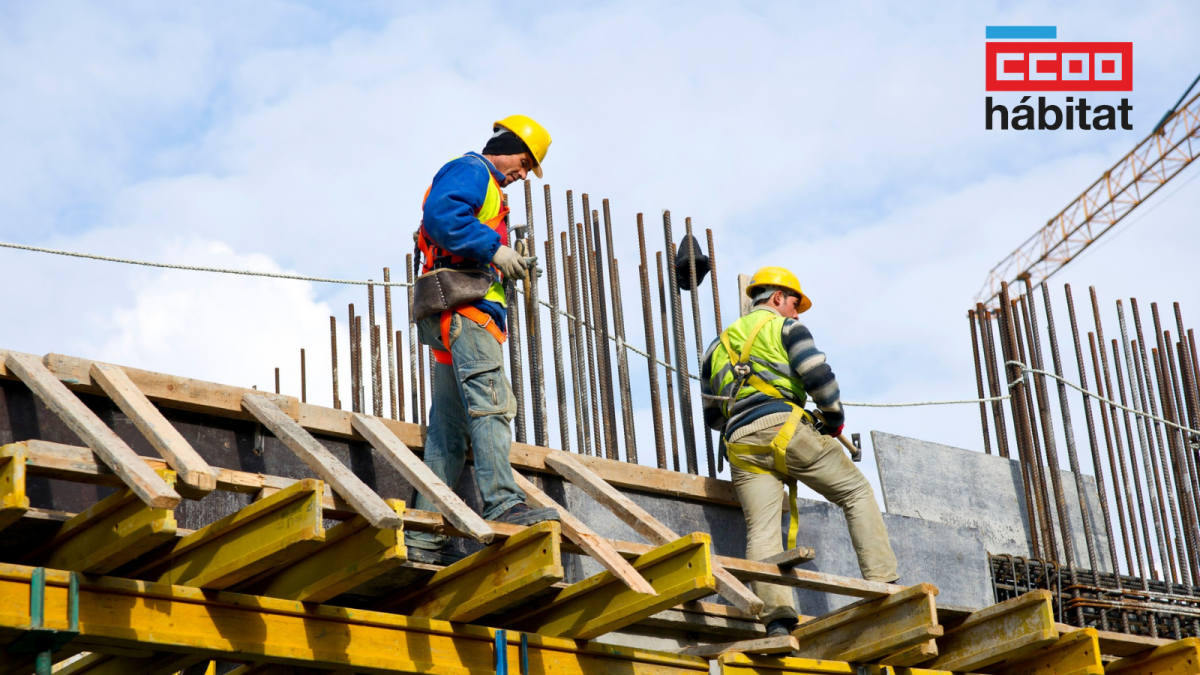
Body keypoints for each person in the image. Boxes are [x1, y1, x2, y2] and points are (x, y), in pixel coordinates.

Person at [700, 266, 899, 636]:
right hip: (787, 429)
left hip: (740, 444)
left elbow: (713, 415)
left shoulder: (715, 347)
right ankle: (885, 584)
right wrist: (834, 419)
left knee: (761, 530)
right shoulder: (786, 328)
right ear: (777, 298)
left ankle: (776, 620)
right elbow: (818, 376)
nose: (796, 312)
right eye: (794, 303)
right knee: (856, 492)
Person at [405, 116, 558, 564]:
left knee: (448, 433)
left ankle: (424, 535)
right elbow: (442, 217)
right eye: (524, 162)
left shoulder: (489, 189)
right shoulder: (473, 170)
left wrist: (504, 259)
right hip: (466, 314)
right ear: (505, 146)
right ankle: (504, 502)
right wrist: (495, 250)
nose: (523, 173)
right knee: (492, 405)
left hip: (453, 316)